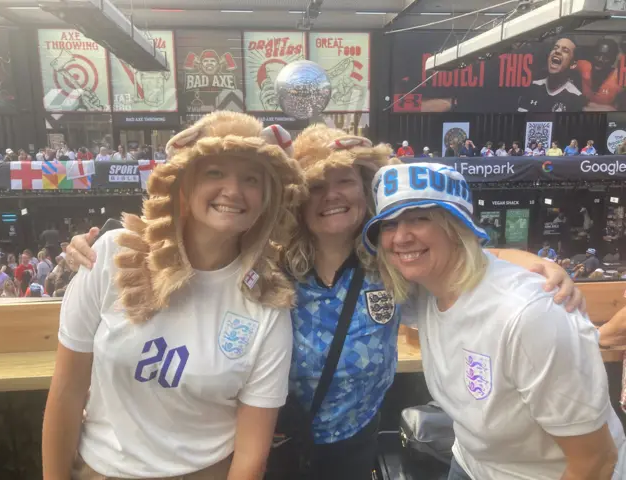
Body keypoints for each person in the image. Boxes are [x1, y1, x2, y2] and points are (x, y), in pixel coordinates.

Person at [65, 127, 584, 480]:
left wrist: (529, 260)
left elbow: (457, 253)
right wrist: (107, 240)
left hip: (352, 444)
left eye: (346, 182)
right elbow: (191, 244)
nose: (332, 195)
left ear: (365, 193)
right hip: (270, 441)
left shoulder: (394, 265)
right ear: (295, 197)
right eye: (316, 185)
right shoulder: (267, 263)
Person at [42, 111, 307, 479]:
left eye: (250, 178)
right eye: (215, 172)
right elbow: (67, 392)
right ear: (185, 183)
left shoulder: (267, 303)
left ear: (266, 198)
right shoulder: (112, 255)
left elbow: (250, 456)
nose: (233, 190)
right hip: (101, 470)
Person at [362, 162, 626, 480]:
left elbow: (596, 461)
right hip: (471, 463)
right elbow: (490, 256)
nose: (401, 237)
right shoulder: (428, 288)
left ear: (456, 228)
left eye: (420, 218)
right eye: (389, 224)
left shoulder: (527, 316)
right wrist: (532, 258)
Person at [518, 37, 586, 112]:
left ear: (573, 64)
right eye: (555, 48)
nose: (557, 51)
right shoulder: (533, 86)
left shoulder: (576, 97)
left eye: (565, 50)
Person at [577, 38, 626, 111]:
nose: (600, 59)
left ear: (613, 59)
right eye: (598, 54)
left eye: (606, 57)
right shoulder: (583, 66)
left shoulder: (620, 78)